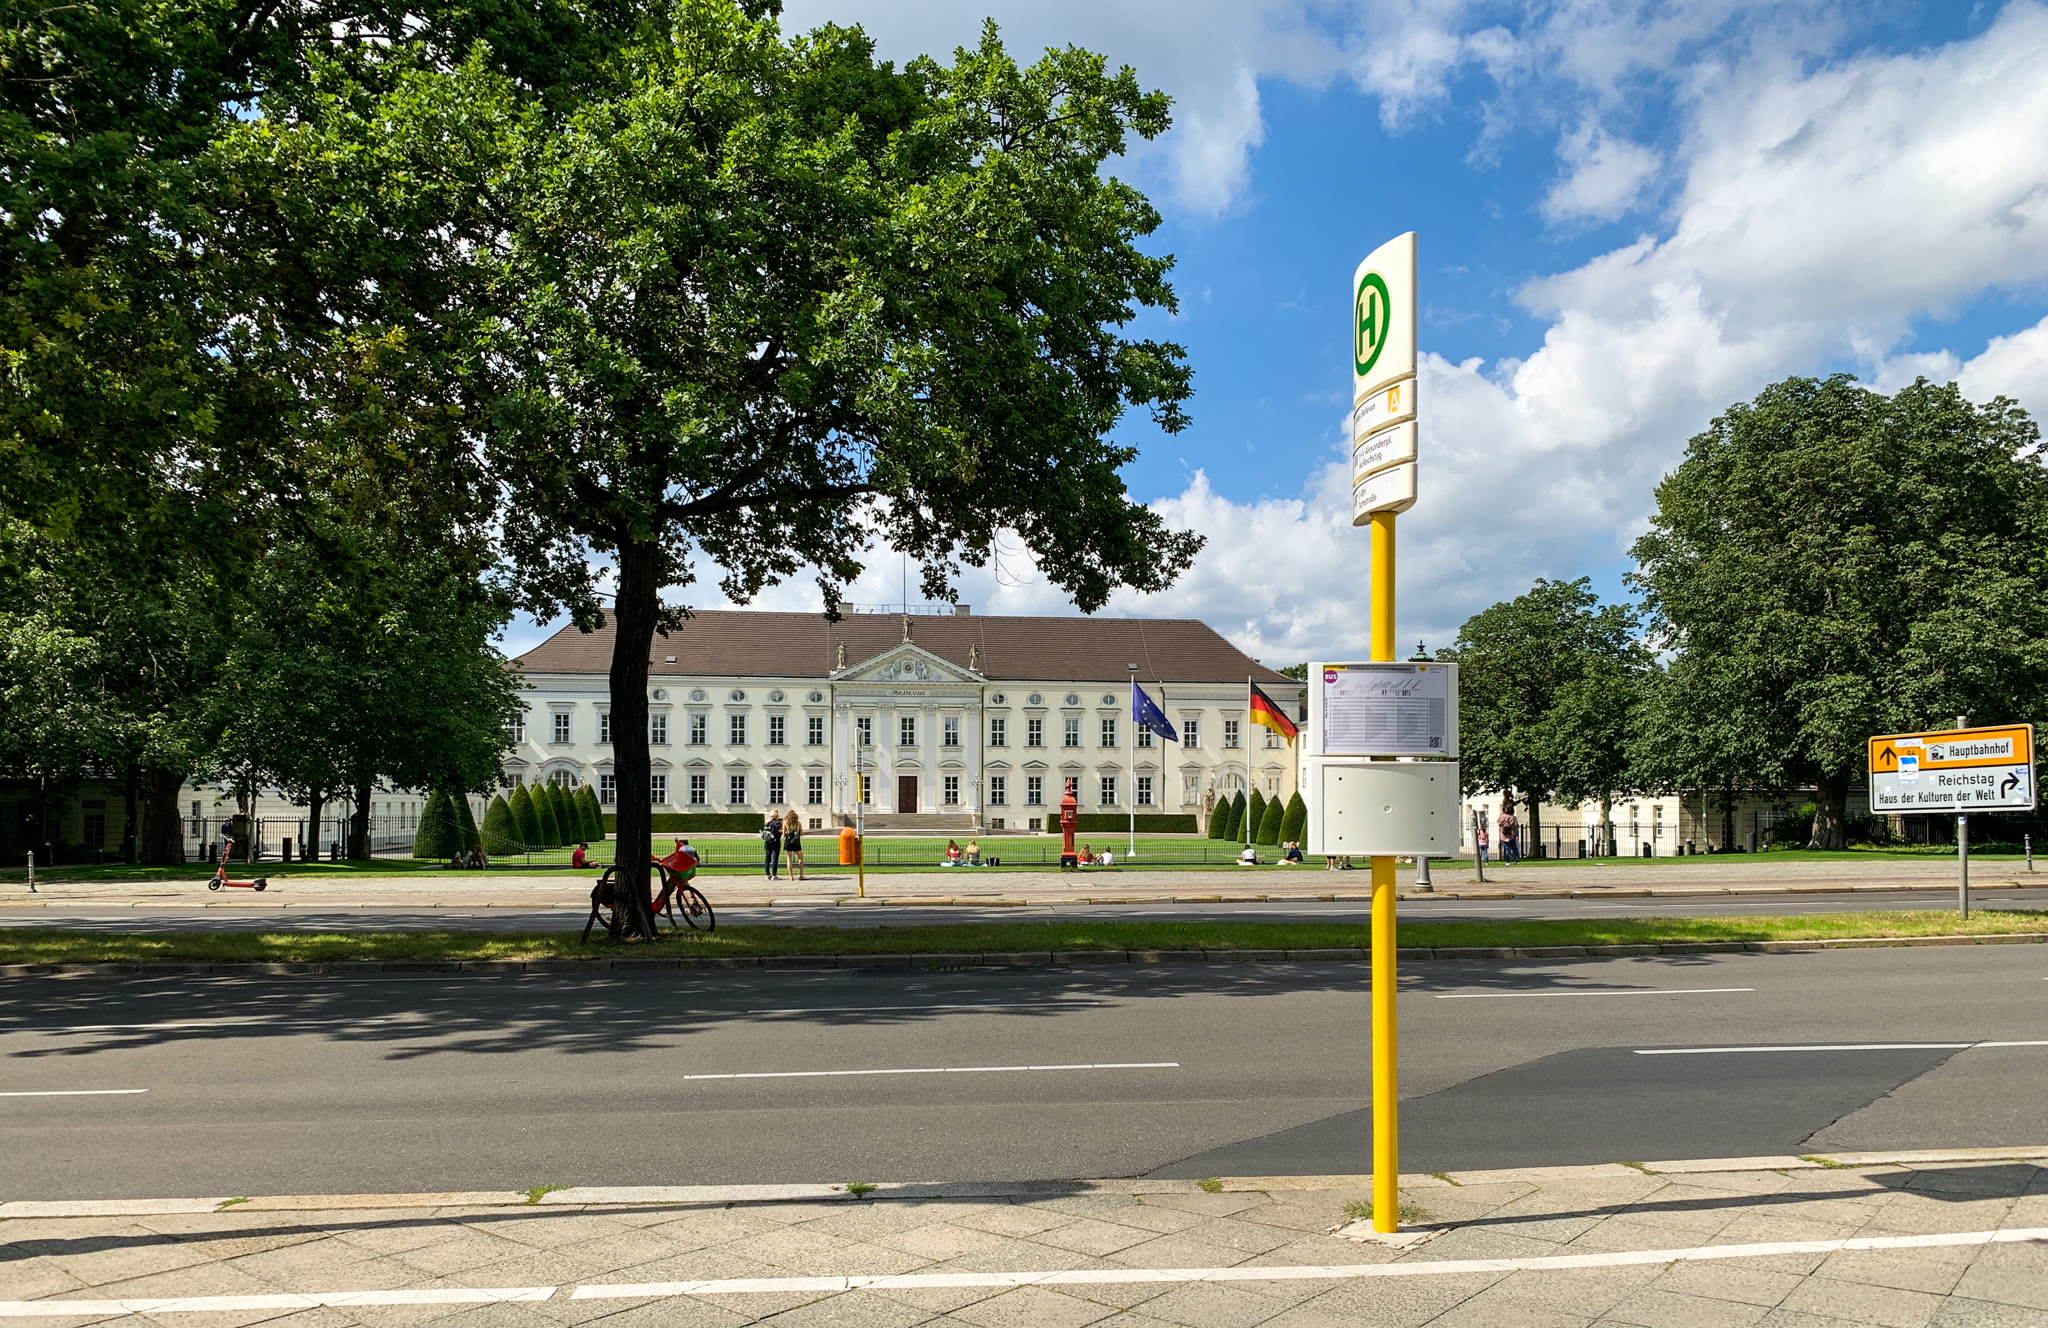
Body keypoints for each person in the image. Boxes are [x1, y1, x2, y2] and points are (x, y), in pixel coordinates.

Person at [782, 810, 805, 881]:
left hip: (788, 842)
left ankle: (791, 876)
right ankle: (801, 875)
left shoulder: (785, 823)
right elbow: (801, 834)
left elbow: (784, 834)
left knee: (789, 859)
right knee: (801, 858)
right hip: (796, 842)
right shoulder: (798, 824)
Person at [762, 812, 783, 879]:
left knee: (767, 858)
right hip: (776, 841)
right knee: (775, 858)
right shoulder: (778, 822)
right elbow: (779, 831)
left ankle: (767, 874)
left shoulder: (768, 822)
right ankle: (774, 875)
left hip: (768, 841)